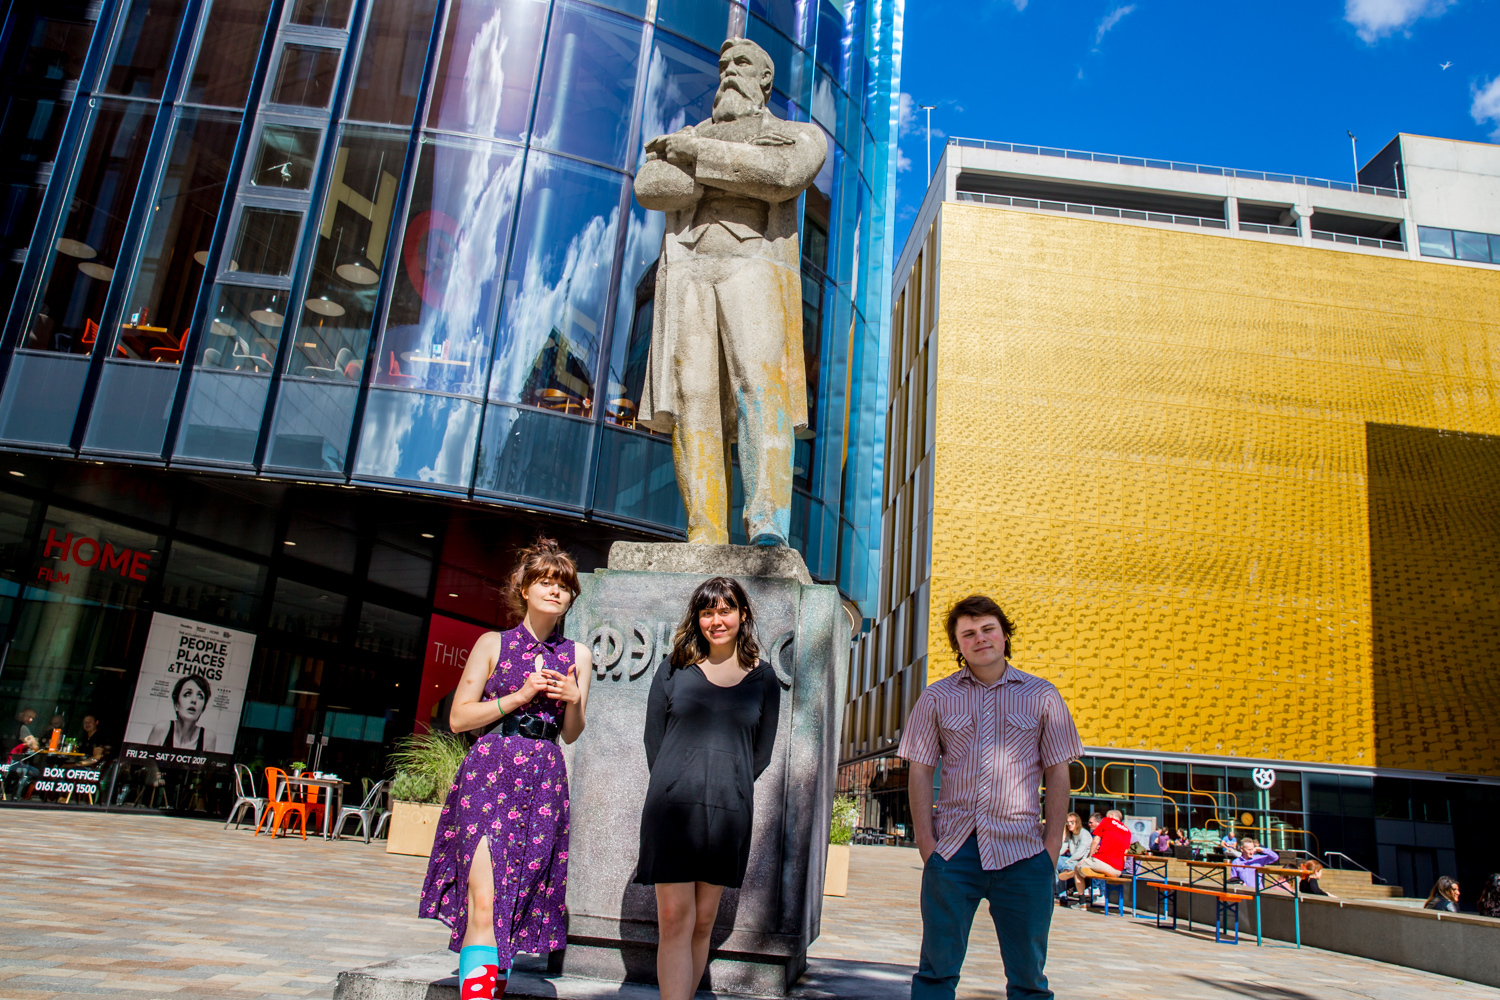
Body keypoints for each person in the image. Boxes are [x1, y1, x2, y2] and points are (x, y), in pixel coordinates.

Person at [418, 537, 593, 1000]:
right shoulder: (492, 643)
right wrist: (519, 696)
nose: (554, 591)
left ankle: (488, 987)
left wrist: (574, 701)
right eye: (545, 582)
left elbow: (572, 732)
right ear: (524, 589)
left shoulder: (578, 656)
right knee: (484, 897)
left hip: (543, 778)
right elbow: (459, 718)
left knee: (513, 898)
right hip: (489, 772)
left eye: (563, 586)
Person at [898, 595, 1083, 1000]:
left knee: (1029, 980)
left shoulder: (1043, 695)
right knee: (935, 973)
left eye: (988, 629)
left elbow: (1058, 771)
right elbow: (920, 769)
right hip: (954, 852)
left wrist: (1051, 847)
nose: (980, 638)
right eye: (968, 633)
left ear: (1004, 635)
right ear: (958, 645)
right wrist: (926, 842)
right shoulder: (936, 697)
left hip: (1023, 853)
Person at [634, 577, 781, 1000]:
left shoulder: (765, 679)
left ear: (743, 615)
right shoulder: (674, 668)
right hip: (671, 810)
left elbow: (761, 753)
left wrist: (726, 784)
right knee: (675, 919)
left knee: (702, 923)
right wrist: (678, 780)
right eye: (707, 612)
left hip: (728, 812)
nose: (716, 620)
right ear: (697, 618)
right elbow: (654, 740)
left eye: (725, 610)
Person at [146, 675, 220, 753]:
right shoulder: (161, 729)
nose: (194, 700)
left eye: (200, 696)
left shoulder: (208, 738)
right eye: (187, 694)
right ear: (176, 705)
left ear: (203, 709)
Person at [1074, 810, 1130, 902]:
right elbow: (1125, 853)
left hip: (1102, 862)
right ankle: (1096, 888)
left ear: (1111, 815)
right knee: (1095, 869)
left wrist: (1090, 857)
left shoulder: (1107, 821)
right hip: (1117, 870)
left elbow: (1095, 841)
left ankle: (1082, 902)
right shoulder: (1127, 831)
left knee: (1077, 867)